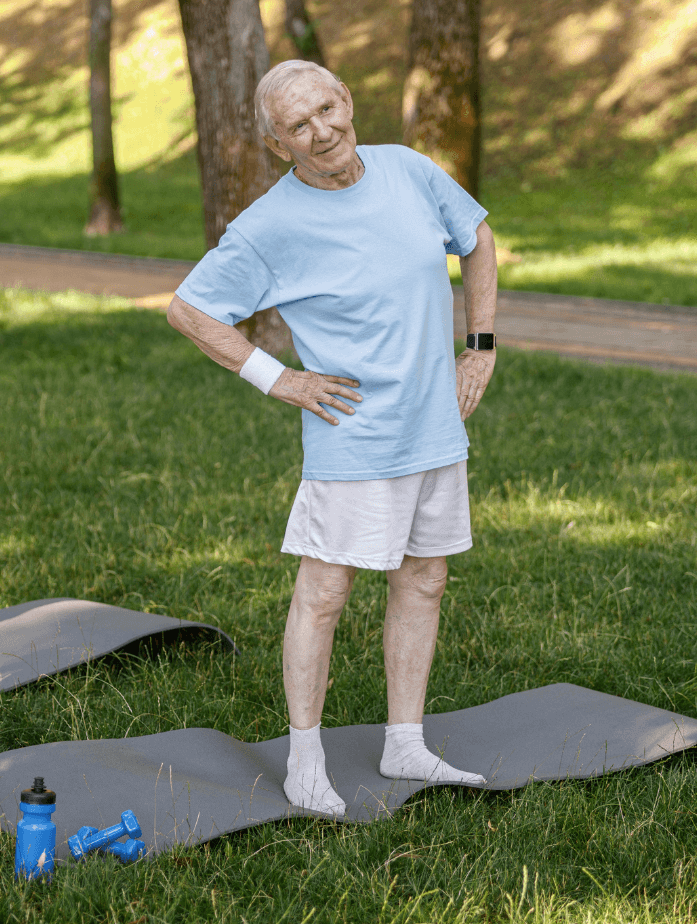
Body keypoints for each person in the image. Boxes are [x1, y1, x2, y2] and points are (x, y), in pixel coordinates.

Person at [166, 61, 499, 815]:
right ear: (278, 143)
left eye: (326, 109)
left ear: (348, 100)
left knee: (425, 579)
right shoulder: (269, 225)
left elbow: (476, 237)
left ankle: (405, 741)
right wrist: (278, 378)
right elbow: (190, 310)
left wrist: (479, 343)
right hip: (356, 436)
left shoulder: (408, 170)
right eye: (298, 126)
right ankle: (305, 761)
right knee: (324, 593)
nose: (321, 132)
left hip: (434, 427)